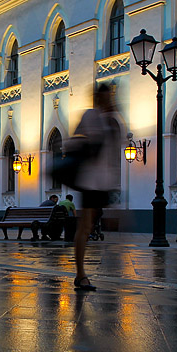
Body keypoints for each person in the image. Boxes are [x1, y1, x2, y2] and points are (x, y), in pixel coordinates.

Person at [67, 83, 121, 291]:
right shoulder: (91, 116)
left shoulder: (112, 121)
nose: (109, 101)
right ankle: (80, 274)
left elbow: (113, 155)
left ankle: (81, 274)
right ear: (98, 98)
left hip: (102, 183)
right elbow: (79, 141)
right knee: (85, 227)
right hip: (90, 181)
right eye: (106, 98)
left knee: (89, 226)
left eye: (111, 97)